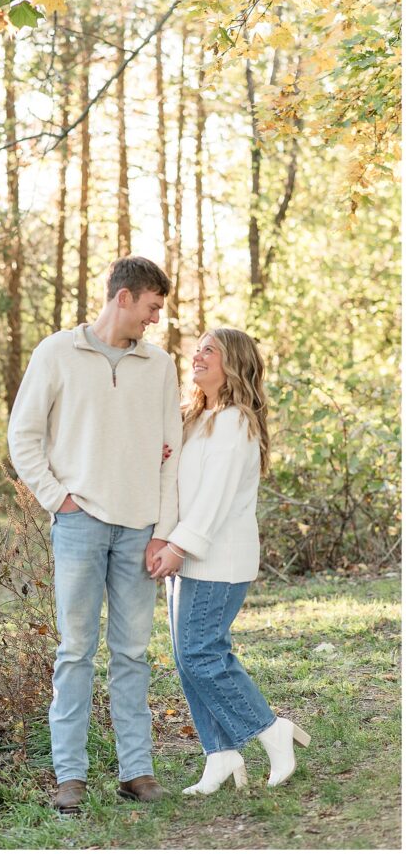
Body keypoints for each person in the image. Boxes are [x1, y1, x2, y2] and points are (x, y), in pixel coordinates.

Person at [7, 256, 182, 813]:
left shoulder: (160, 366)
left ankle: (137, 771)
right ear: (124, 297)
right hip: (79, 524)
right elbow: (24, 436)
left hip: (139, 530)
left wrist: (164, 531)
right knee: (75, 651)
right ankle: (70, 776)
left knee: (132, 653)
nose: (156, 319)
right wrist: (59, 498)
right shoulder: (56, 353)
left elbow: (171, 455)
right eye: (152, 307)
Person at [150, 328, 311, 795]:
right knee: (187, 659)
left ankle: (268, 728)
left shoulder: (237, 421)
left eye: (210, 350)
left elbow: (215, 498)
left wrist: (178, 547)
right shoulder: (195, 417)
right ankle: (220, 754)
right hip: (182, 554)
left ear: (233, 363)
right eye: (197, 348)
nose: (197, 355)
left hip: (216, 558)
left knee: (202, 653)